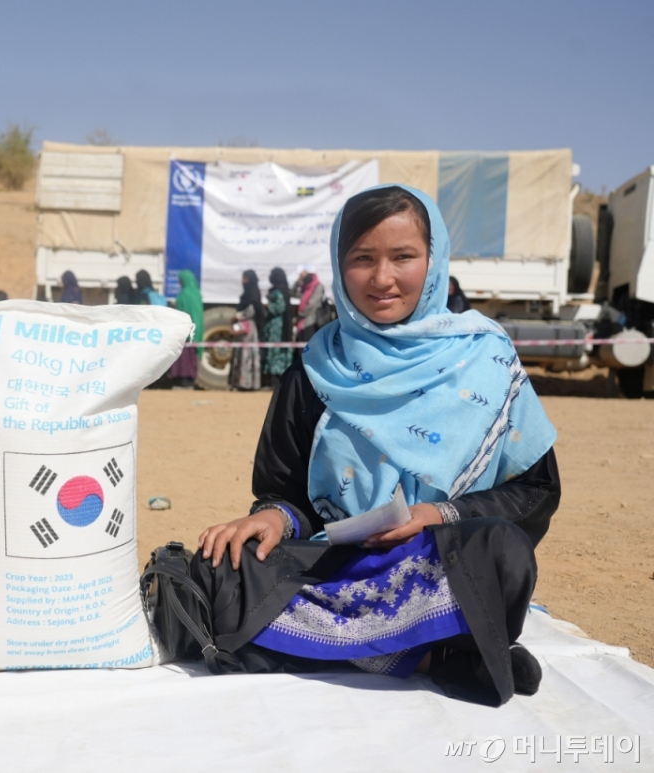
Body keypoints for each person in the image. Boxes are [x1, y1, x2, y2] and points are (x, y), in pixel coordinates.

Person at [195, 185, 560, 706]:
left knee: (503, 551)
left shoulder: (487, 357)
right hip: (334, 566)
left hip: (437, 564)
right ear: (339, 267)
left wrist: (439, 514)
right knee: (215, 569)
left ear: (433, 262)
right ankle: (433, 655)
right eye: (362, 259)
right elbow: (285, 492)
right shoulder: (316, 369)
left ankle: (326, 644)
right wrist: (274, 518)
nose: (383, 278)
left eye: (403, 257)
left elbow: (535, 490)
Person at [168, 269, 204, 386]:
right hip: (196, 327)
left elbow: (181, 312)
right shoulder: (197, 293)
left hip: (185, 328)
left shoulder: (183, 294)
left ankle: (182, 379)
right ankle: (191, 378)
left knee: (183, 356)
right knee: (191, 355)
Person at [229, 270, 263, 391]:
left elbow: (251, 311)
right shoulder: (246, 294)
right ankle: (239, 382)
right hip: (243, 327)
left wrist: (237, 316)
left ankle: (247, 383)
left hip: (249, 329)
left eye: (246, 279)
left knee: (247, 356)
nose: (243, 281)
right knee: (241, 355)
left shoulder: (253, 293)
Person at [261, 268, 294, 390]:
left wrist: (268, 305)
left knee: (275, 353)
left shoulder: (278, 291)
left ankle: (274, 383)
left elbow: (280, 307)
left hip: (277, 328)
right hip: (276, 327)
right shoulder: (282, 290)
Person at [294, 266, 326, 343]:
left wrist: (301, 315)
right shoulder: (305, 288)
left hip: (311, 321)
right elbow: (293, 294)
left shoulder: (318, 286)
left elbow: (312, 304)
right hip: (302, 323)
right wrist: (298, 281)